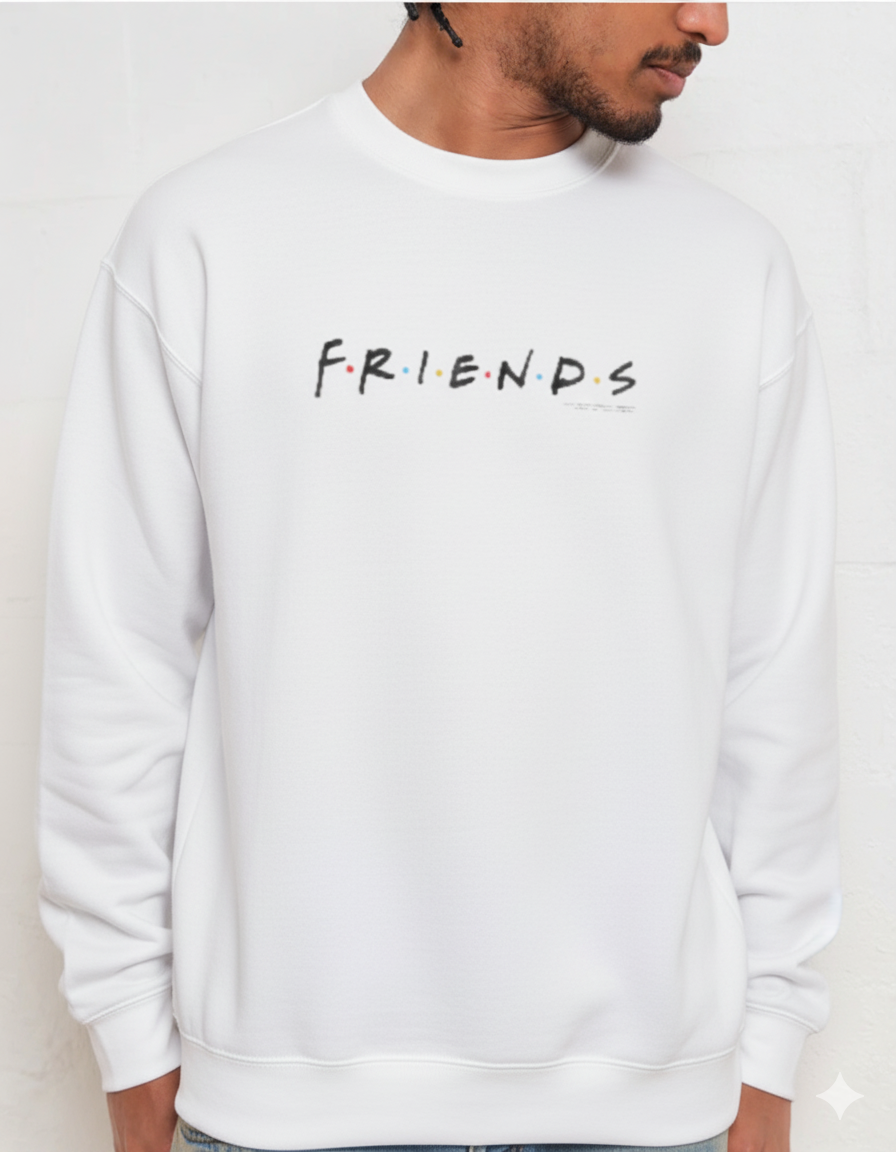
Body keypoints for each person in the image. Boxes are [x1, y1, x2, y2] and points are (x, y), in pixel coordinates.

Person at [36, 4, 842, 1152]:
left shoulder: (726, 266)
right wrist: (129, 1042)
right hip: (279, 1107)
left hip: (653, 1107)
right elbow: (118, 664)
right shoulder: (209, 234)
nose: (706, 20)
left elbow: (773, 679)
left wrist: (767, 1056)